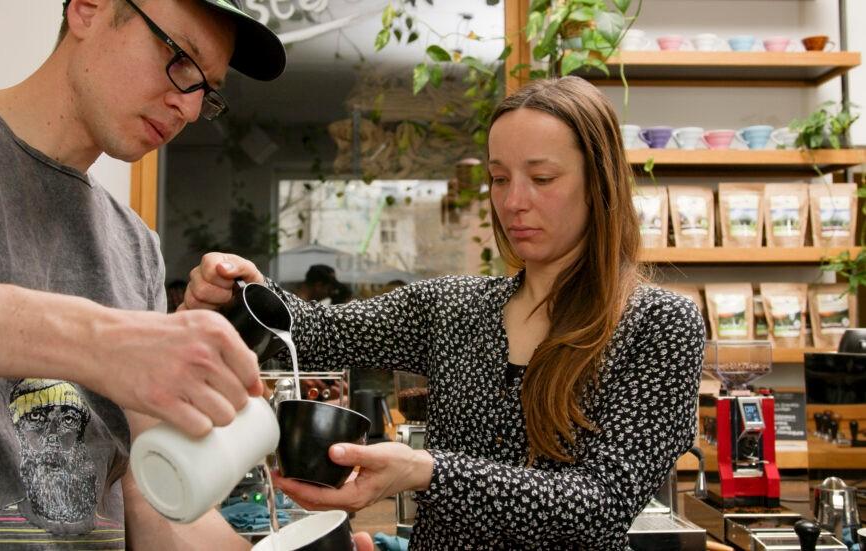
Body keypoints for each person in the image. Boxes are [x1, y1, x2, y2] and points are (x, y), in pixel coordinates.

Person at [0, 1, 374, 549]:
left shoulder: (136, 249)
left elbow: (150, 501)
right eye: (180, 59)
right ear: (89, 9)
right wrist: (97, 341)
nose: (188, 109)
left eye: (206, 91)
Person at [183, 76, 705, 549]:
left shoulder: (660, 327)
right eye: (500, 178)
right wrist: (242, 291)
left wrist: (425, 471)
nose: (514, 202)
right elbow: (319, 332)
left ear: (600, 183)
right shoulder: (453, 309)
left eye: (542, 178)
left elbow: (601, 506)